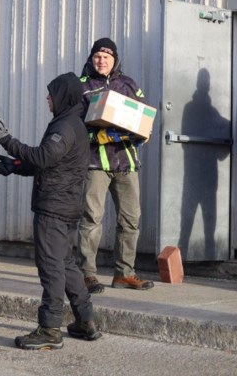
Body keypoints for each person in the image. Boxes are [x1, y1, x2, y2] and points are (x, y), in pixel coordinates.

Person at [0, 72, 102, 350]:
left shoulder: (65, 127)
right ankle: (85, 320)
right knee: (65, 263)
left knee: (51, 267)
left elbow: (43, 156)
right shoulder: (71, 123)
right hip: (64, 205)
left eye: (52, 93)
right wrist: (15, 165)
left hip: (54, 208)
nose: (48, 98)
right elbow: (49, 165)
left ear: (63, 96)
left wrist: (7, 140)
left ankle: (50, 329)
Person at [76, 37, 153, 292]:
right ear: (92, 58)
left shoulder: (129, 85)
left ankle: (124, 273)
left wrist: (143, 132)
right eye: (97, 56)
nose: (101, 60)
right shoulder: (82, 87)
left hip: (126, 163)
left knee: (131, 220)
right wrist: (95, 136)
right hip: (95, 163)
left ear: (114, 60)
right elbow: (72, 127)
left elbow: (143, 118)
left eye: (106, 57)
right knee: (92, 219)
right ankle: (86, 274)